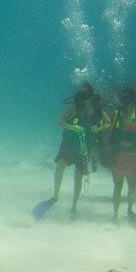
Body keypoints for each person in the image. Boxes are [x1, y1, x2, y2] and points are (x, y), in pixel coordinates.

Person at [34, 82, 111, 219]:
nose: (82, 98)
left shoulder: (97, 109)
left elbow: (108, 122)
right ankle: (55, 196)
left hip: (84, 146)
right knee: (60, 167)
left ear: (91, 97)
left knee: (78, 175)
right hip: (69, 144)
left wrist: (99, 128)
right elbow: (61, 121)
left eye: (85, 95)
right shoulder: (74, 106)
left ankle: (74, 206)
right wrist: (72, 127)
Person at [109, 88, 136, 223]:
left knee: (122, 186)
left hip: (123, 154)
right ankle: (123, 212)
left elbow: (111, 130)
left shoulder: (118, 112)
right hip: (129, 155)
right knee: (125, 186)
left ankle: (119, 213)